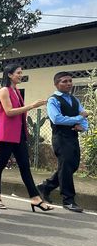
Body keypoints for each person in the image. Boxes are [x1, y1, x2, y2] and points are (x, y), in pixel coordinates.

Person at [0, 64, 50, 212]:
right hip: (6, 135)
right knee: (0, 166)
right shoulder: (4, 90)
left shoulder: (16, 91)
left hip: (19, 134)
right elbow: (9, 112)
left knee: (25, 166)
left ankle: (35, 198)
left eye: (21, 72)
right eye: (18, 73)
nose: (20, 75)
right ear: (9, 75)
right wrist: (32, 106)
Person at [37, 72, 89, 213]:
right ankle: (68, 200)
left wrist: (83, 126)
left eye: (70, 81)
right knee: (66, 167)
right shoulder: (53, 100)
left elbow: (84, 116)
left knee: (72, 166)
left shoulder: (74, 100)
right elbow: (57, 119)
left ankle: (45, 186)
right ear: (56, 84)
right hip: (60, 138)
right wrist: (78, 118)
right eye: (64, 81)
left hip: (73, 137)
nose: (68, 83)